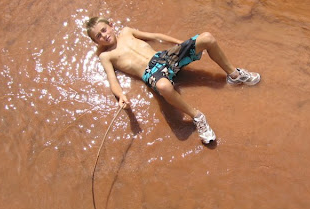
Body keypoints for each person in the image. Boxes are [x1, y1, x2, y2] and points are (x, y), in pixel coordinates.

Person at [86, 17, 260, 144]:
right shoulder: (106, 56)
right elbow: (112, 80)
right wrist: (120, 96)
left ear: (111, 25)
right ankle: (198, 117)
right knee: (163, 86)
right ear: (95, 42)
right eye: (98, 36)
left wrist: (180, 43)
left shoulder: (127, 31)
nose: (103, 36)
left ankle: (235, 75)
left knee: (206, 37)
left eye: (104, 30)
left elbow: (155, 36)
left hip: (164, 58)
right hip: (151, 73)